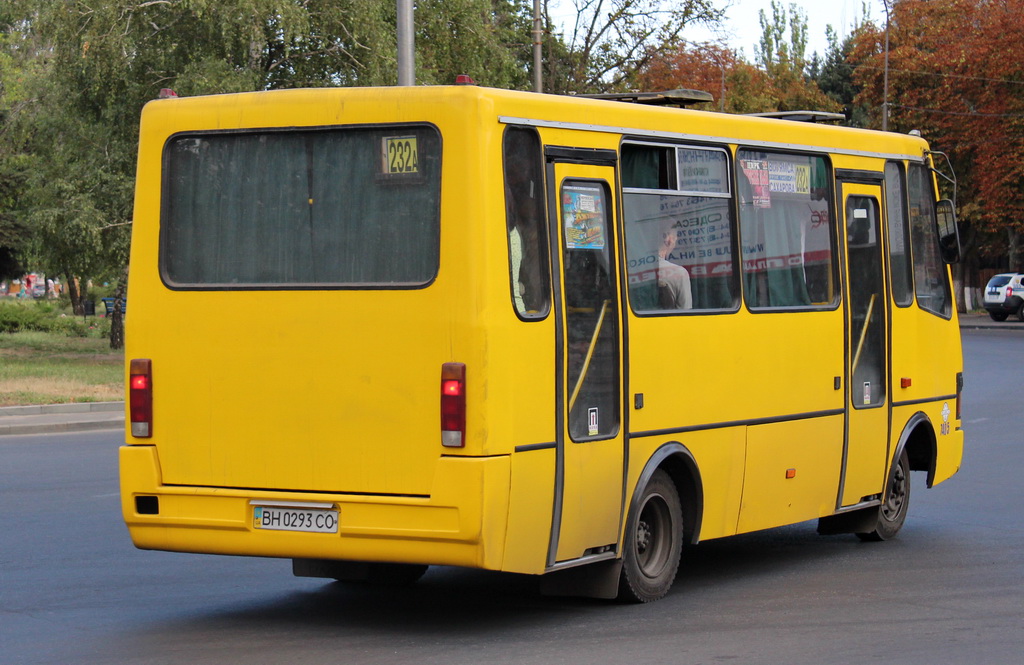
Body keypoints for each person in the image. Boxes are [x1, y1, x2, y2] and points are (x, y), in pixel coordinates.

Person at [657, 229, 692, 310]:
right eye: (675, 240)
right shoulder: (679, 273)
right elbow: (685, 314)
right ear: (669, 240)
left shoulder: (633, 271)